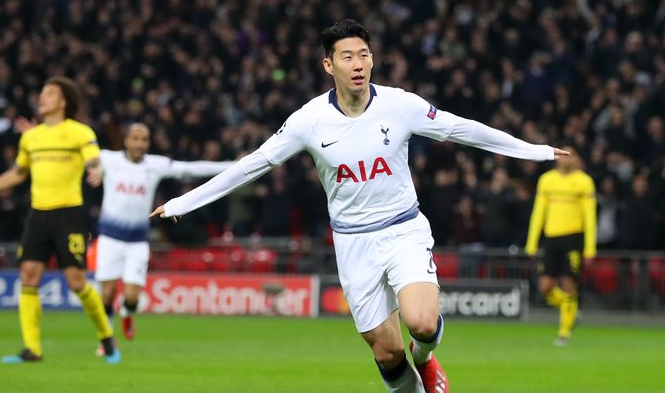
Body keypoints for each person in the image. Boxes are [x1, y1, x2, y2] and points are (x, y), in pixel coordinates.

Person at [150, 20, 568, 393]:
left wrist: (537, 151)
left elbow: (462, 129)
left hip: (403, 228)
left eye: (364, 55)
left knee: (421, 323)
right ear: (328, 66)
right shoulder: (308, 121)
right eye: (347, 56)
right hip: (353, 244)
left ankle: (425, 357)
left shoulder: (400, 105)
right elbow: (251, 165)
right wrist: (181, 203)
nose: (358, 63)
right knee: (386, 353)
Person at [0, 76, 120, 364]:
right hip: (38, 214)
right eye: (42, 92)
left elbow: (93, 159)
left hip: (69, 213)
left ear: (63, 102)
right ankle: (32, 349)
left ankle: (106, 336)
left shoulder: (79, 132)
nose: (41, 97)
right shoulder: (31, 137)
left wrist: (97, 171)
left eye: (49, 93)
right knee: (29, 276)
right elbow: (19, 173)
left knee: (76, 282)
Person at [87, 123, 232, 345]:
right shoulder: (108, 159)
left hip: (137, 242)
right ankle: (106, 340)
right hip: (109, 238)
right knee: (105, 294)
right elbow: (78, 157)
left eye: (144, 139)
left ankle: (126, 313)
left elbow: (191, 168)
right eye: (135, 138)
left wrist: (235, 165)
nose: (139, 143)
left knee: (133, 298)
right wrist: (94, 169)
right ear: (126, 141)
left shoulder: (156, 165)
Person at [525, 145, 596, 346]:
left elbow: (589, 216)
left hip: (573, 238)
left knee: (568, 284)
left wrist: (590, 247)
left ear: (576, 159)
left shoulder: (584, 182)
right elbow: (538, 212)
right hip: (551, 238)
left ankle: (564, 332)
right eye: (562, 155)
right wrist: (532, 242)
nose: (565, 159)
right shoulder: (546, 181)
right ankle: (570, 309)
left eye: (570, 156)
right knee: (546, 286)